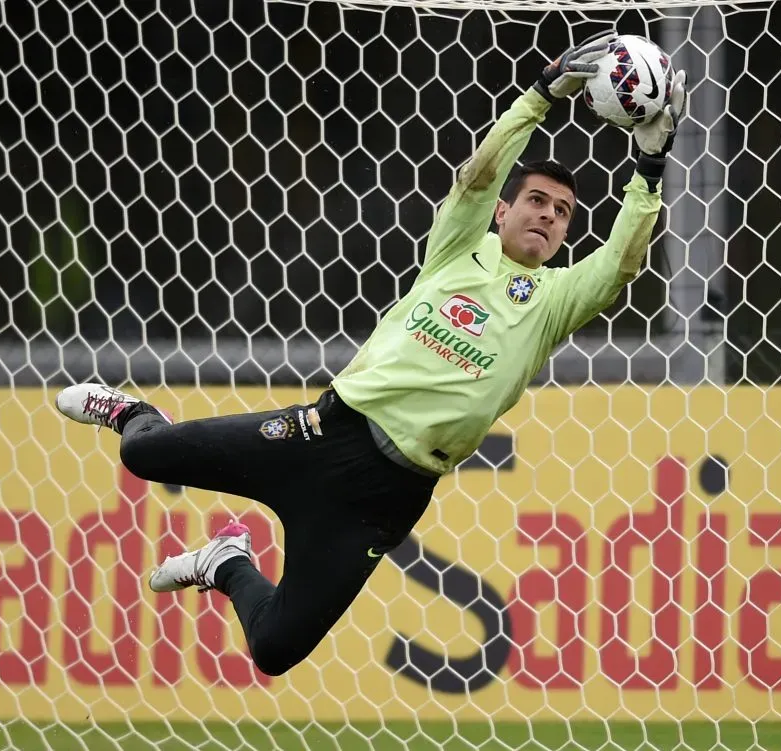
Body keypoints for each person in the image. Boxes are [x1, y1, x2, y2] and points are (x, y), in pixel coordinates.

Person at [55, 30, 688, 677]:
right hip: (324, 435)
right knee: (142, 452)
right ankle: (127, 407)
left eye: (562, 211)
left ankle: (226, 561)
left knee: (275, 648)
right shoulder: (458, 245)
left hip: (387, 494)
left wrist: (649, 166)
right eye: (536, 200)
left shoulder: (553, 300)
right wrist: (541, 93)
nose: (549, 216)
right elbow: (478, 173)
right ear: (501, 212)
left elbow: (620, 265)